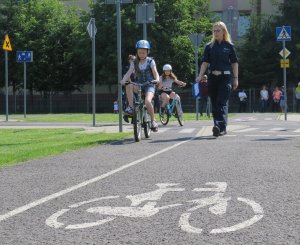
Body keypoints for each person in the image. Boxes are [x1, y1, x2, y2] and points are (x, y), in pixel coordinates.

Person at [196, 21, 238, 137]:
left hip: (225, 77)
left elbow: (234, 63)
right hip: (212, 78)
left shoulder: (229, 46)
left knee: (221, 102)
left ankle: (220, 126)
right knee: (214, 103)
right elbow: (205, 62)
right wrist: (200, 75)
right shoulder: (209, 47)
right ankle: (218, 126)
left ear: (224, 32)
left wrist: (236, 78)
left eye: (218, 30)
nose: (215, 32)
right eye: (214, 30)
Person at [120, 40, 160, 132]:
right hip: (139, 85)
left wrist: (157, 79)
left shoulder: (151, 61)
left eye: (143, 52)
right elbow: (129, 72)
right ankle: (130, 106)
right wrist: (124, 80)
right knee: (128, 85)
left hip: (149, 85)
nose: (141, 54)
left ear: (147, 52)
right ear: (137, 52)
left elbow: (155, 72)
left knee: (147, 101)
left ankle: (153, 121)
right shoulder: (134, 62)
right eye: (140, 52)